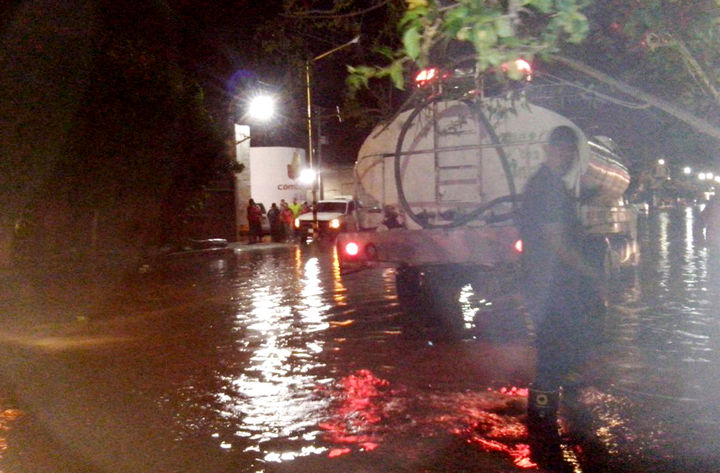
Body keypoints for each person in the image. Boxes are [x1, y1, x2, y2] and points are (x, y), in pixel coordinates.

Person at [518, 126, 603, 467]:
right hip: (547, 286)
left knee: (563, 348)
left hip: (553, 286)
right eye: (562, 149)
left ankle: (551, 424)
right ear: (549, 148)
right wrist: (590, 271)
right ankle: (542, 432)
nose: (566, 156)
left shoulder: (552, 185)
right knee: (552, 355)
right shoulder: (546, 187)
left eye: (570, 151)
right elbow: (556, 241)